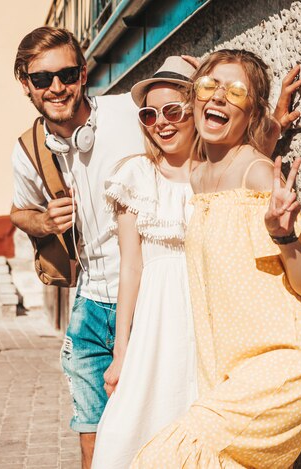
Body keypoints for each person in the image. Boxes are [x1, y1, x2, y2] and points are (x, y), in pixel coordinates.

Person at [131, 49, 301, 469]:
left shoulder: (259, 174)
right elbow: (237, 146)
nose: (219, 98)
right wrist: (270, 120)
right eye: (209, 86)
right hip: (232, 370)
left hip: (288, 361)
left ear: (251, 111)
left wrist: (283, 234)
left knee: (166, 458)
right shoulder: (198, 176)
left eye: (236, 91)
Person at [10, 26, 145, 468]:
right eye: (42, 79)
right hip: (88, 303)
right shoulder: (30, 150)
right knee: (91, 434)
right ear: (25, 83)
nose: (56, 87)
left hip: (144, 300)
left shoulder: (129, 114)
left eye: (67, 74)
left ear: (84, 74)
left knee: (149, 431)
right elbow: (18, 212)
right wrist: (44, 222)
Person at [91, 57, 200, 469]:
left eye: (173, 110)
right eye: (150, 113)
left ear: (196, 110)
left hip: (206, 319)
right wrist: (121, 354)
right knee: (127, 430)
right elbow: (131, 270)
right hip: (155, 325)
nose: (161, 122)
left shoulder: (219, 173)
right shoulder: (135, 176)